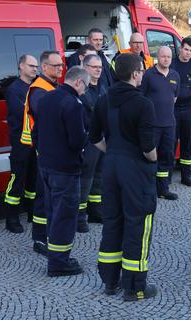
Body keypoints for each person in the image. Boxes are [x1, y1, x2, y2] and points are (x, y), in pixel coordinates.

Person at [90, 53, 158, 301]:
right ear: (134, 74)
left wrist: (115, 152)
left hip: (111, 168)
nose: (142, 74)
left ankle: (110, 281)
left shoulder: (103, 100)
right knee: (137, 226)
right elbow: (148, 147)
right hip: (135, 172)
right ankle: (135, 287)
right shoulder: (143, 104)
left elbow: (94, 137)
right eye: (140, 70)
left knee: (112, 222)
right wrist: (153, 160)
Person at [35, 66, 89, 277]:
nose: (84, 91)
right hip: (65, 169)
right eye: (84, 87)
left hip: (46, 166)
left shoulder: (47, 97)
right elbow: (76, 141)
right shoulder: (74, 104)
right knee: (65, 216)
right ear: (78, 83)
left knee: (52, 212)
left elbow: (36, 131)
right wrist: (87, 138)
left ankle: (55, 255)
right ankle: (59, 263)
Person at [21, 50, 63, 256]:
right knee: (43, 196)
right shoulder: (39, 89)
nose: (60, 69)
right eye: (56, 66)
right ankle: (39, 238)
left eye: (61, 66)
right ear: (44, 67)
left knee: (49, 194)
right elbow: (47, 118)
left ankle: (48, 233)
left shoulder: (52, 86)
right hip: (43, 149)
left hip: (50, 148)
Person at [3, 55, 38, 233]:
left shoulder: (34, 86)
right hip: (20, 142)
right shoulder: (14, 89)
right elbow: (23, 113)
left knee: (33, 179)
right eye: (31, 66)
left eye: (36, 66)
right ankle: (12, 218)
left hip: (35, 141)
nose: (35, 69)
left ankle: (31, 212)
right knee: (16, 180)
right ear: (21, 66)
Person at [141, 46, 180, 200]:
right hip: (153, 125)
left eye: (168, 57)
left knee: (167, 157)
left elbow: (174, 98)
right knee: (149, 156)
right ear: (158, 57)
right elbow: (142, 98)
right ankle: (147, 188)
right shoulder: (149, 75)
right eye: (163, 56)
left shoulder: (175, 75)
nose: (166, 59)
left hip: (169, 124)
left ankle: (163, 189)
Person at [77, 54, 107, 232]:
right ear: (85, 67)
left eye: (100, 67)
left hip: (102, 138)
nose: (98, 70)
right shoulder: (82, 90)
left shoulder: (102, 87)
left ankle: (95, 210)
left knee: (99, 177)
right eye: (94, 67)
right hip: (88, 141)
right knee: (85, 179)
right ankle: (80, 217)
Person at [170, 37, 191, 187]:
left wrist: (189, 95)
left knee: (188, 143)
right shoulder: (172, 64)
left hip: (190, 110)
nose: (188, 53)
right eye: (186, 49)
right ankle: (167, 175)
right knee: (170, 142)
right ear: (180, 49)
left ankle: (186, 176)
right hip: (172, 110)